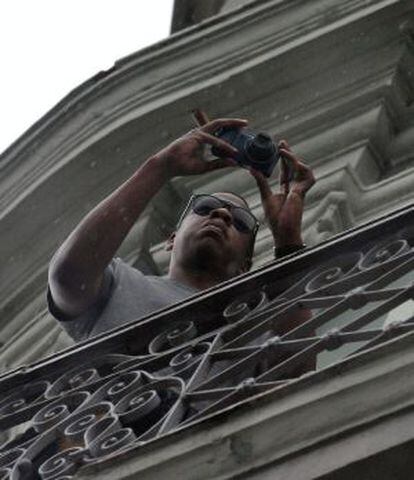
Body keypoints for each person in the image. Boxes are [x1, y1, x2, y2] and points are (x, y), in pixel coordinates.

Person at [47, 112, 315, 342]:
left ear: (245, 266)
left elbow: (294, 373)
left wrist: (288, 243)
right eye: (205, 208)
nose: (222, 214)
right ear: (172, 239)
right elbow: (68, 276)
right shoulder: (119, 283)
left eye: (240, 222)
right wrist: (161, 166)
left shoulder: (255, 322)